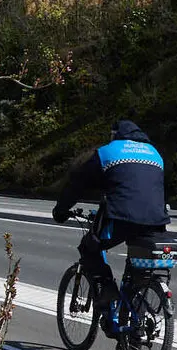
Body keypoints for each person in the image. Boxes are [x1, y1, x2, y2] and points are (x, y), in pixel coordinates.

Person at [52, 120, 170, 336]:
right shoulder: (156, 154)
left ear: (116, 134)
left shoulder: (108, 152)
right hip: (156, 219)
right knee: (138, 269)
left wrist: (61, 209)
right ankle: (135, 327)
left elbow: (79, 182)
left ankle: (107, 289)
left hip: (122, 217)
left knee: (90, 247)